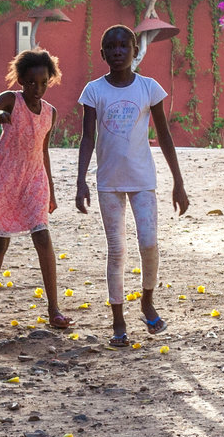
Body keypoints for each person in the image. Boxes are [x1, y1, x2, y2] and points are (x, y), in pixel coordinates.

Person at [75, 23, 189, 348]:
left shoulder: (148, 88)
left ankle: (147, 302)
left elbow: (164, 136)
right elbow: (87, 138)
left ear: (135, 51)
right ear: (102, 54)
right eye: (111, 48)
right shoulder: (94, 91)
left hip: (142, 180)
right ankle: (118, 321)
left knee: (149, 243)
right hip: (108, 182)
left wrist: (178, 182)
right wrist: (81, 181)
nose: (117, 52)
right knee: (117, 250)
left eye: (124, 46)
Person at [0, 47, 72, 330]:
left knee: (42, 237)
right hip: (6, 177)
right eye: (31, 82)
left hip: (34, 180)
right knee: (0, 240)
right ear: (21, 81)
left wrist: (51, 192)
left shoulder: (50, 113)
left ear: (49, 80)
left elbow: (44, 152)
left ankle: (54, 308)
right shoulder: (10, 100)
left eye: (43, 82)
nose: (37, 88)